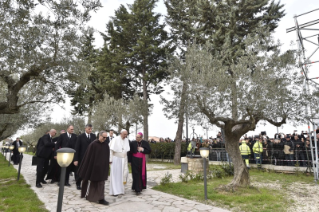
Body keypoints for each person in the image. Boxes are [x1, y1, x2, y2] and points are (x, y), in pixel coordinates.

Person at [77, 131, 110, 205]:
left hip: (102, 168)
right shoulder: (93, 144)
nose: (104, 139)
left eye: (106, 137)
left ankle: (101, 199)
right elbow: (88, 157)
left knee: (101, 183)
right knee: (93, 182)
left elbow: (107, 157)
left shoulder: (106, 145)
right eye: (103, 137)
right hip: (94, 168)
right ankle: (91, 196)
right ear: (99, 136)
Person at [74, 124, 96, 190]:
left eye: (91, 129)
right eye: (89, 129)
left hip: (90, 157)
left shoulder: (93, 136)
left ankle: (87, 184)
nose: (90, 130)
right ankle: (78, 184)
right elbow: (77, 148)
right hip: (81, 157)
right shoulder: (80, 137)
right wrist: (76, 159)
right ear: (85, 129)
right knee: (80, 171)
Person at [109, 129, 130, 196]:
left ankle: (121, 190)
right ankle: (114, 191)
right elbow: (111, 150)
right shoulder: (115, 139)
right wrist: (110, 159)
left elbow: (126, 151)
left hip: (123, 159)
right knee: (115, 175)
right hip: (116, 160)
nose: (125, 136)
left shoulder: (126, 140)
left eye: (126, 134)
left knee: (122, 175)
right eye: (124, 134)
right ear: (121, 133)